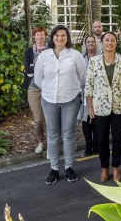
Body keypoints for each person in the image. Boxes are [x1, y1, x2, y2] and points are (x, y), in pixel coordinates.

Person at [34, 25, 86, 184]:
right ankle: (54, 169)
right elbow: (38, 79)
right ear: (52, 37)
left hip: (70, 100)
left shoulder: (75, 55)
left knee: (69, 134)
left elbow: (82, 78)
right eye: (57, 35)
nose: (60, 38)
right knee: (53, 134)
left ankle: (69, 167)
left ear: (67, 38)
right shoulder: (44, 56)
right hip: (49, 101)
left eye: (63, 35)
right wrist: (49, 91)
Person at [86, 31, 121, 182]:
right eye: (106, 40)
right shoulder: (93, 61)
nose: (109, 42)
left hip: (120, 106)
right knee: (101, 139)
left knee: (118, 138)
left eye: (112, 40)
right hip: (100, 107)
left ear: (116, 43)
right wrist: (90, 107)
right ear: (101, 42)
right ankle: (104, 168)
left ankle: (116, 168)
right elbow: (89, 86)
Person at [23, 26, 48, 154]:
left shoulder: (50, 50)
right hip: (34, 89)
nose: (39, 37)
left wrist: (35, 66)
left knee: (50, 119)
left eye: (42, 35)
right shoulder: (28, 52)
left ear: (45, 36)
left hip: (50, 88)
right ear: (34, 36)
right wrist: (42, 67)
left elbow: (53, 67)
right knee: (38, 120)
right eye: (37, 35)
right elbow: (27, 69)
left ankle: (52, 145)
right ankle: (40, 143)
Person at [78, 35, 100, 156]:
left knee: (96, 118)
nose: (90, 43)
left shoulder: (101, 56)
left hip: (98, 92)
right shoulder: (81, 57)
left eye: (92, 41)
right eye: (88, 42)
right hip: (84, 92)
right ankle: (88, 145)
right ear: (85, 44)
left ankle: (96, 145)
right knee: (86, 119)